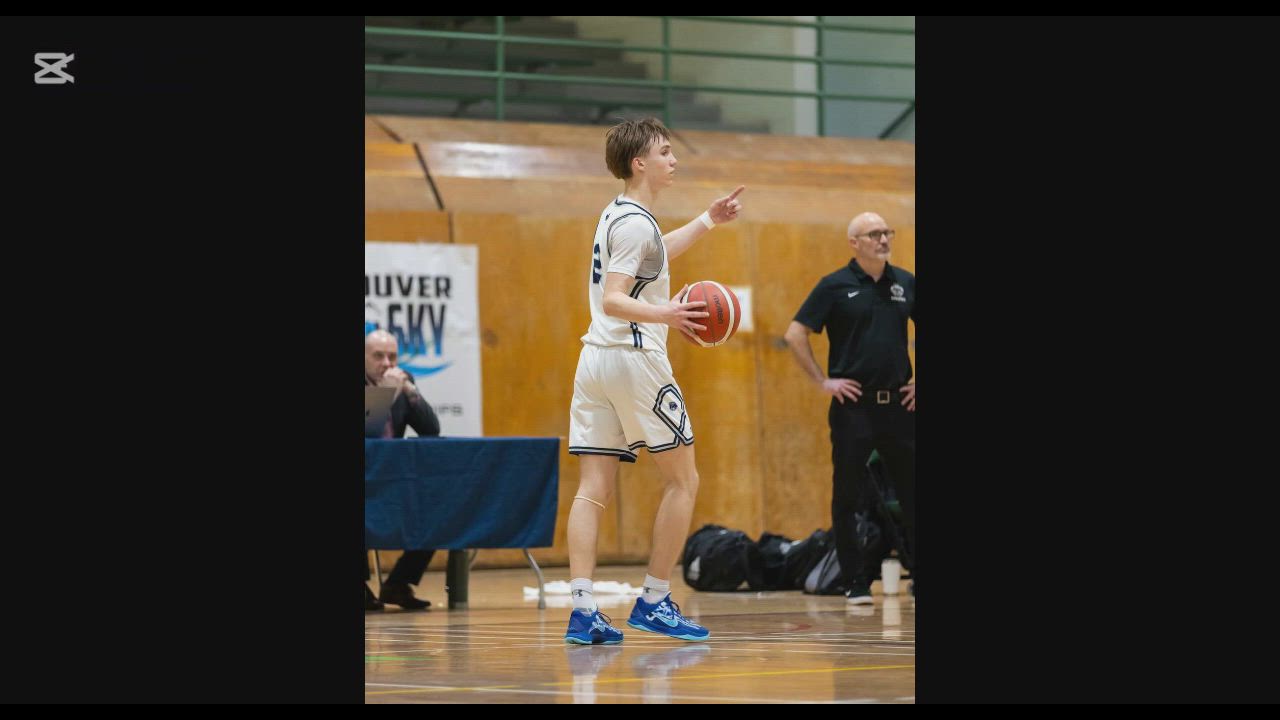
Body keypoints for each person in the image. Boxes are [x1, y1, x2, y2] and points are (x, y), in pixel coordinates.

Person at [564, 117, 745, 644]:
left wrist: (708, 220)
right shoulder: (635, 224)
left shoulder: (619, 214)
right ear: (639, 162)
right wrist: (668, 313)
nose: (673, 159)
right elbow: (614, 298)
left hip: (595, 361)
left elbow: (653, 253)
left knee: (593, 488)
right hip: (635, 357)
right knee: (683, 481)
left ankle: (583, 610)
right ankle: (654, 600)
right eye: (665, 152)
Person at [783, 212, 916, 604]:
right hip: (853, 408)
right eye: (874, 234)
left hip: (899, 405)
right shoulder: (834, 285)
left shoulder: (904, 282)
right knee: (848, 496)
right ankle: (856, 582)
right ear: (854, 243)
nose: (883, 239)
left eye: (886, 232)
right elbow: (795, 334)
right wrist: (822, 381)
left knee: (911, 493)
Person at [364, 329, 441, 611]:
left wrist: (411, 392)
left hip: (390, 479)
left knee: (437, 508)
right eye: (378, 356)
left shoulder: (402, 381)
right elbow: (369, 432)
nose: (387, 363)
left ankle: (398, 583)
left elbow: (431, 429)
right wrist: (386, 394)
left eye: (392, 357)